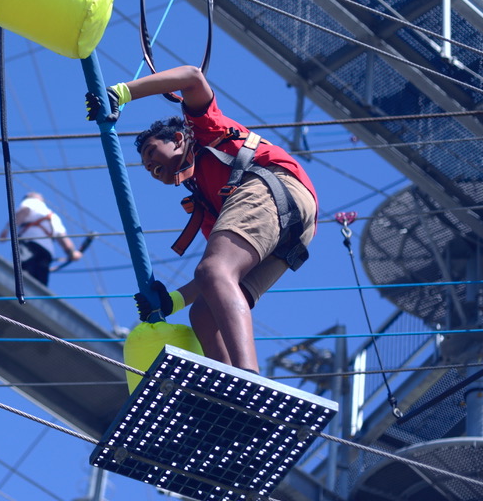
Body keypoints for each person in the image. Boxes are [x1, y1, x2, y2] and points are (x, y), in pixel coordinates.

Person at [86, 65, 317, 374]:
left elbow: (193, 77)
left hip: (274, 187)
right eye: (148, 168)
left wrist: (121, 93)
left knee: (214, 270)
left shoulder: (203, 130)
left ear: (178, 139)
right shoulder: (208, 204)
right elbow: (218, 276)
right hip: (294, 231)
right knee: (203, 314)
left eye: (152, 153)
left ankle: (247, 374)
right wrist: (172, 302)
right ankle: (229, 386)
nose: (152, 167)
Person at [0, 192, 82, 286]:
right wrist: (72, 253)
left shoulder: (31, 202)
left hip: (29, 244)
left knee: (23, 275)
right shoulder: (53, 216)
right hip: (46, 253)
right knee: (39, 283)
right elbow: (63, 239)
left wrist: (7, 229)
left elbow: (24, 212)